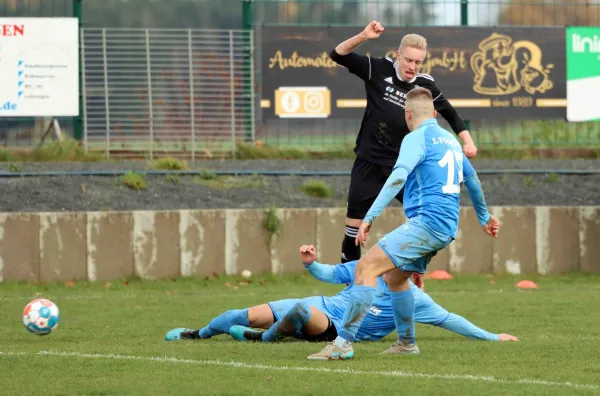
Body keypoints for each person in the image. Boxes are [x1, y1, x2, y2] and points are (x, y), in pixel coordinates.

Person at [306, 87, 499, 361]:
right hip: (446, 227)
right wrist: (484, 217)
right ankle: (407, 342)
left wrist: (370, 216)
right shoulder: (451, 140)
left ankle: (342, 344)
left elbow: (397, 177)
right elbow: (473, 181)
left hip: (427, 224)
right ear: (434, 114)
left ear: (407, 115)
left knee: (365, 267)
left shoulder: (415, 138)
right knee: (395, 278)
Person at [330, 21, 478, 268]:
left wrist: (468, 142)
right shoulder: (377, 69)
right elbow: (338, 54)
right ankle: (350, 291)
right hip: (369, 162)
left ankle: (413, 274)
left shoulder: (425, 85)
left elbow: (450, 113)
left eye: (418, 62)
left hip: (405, 166)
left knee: (423, 222)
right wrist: (364, 36)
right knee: (353, 231)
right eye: (408, 60)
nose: (412, 67)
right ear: (398, 55)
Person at [165, 246, 517, 345]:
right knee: (233, 315)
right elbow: (330, 274)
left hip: (330, 326)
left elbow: (451, 320)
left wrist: (492, 336)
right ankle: (196, 334)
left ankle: (261, 340)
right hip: (320, 305)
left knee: (302, 310)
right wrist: (311, 264)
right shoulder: (367, 267)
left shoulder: (414, 299)